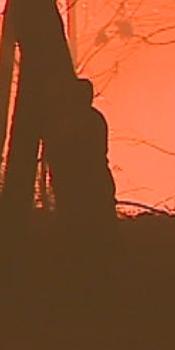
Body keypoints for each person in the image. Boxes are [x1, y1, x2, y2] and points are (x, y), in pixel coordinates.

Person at [43, 76, 119, 252]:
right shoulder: (94, 118)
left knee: (92, 222)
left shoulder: (78, 120)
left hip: (88, 179)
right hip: (95, 179)